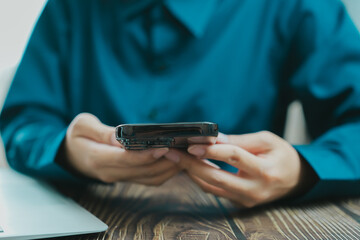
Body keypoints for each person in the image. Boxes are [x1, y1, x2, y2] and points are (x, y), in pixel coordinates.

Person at [1, 0, 360, 208]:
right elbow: (24, 122)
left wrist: (302, 169)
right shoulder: (70, 7)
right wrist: (67, 152)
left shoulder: (294, 5)